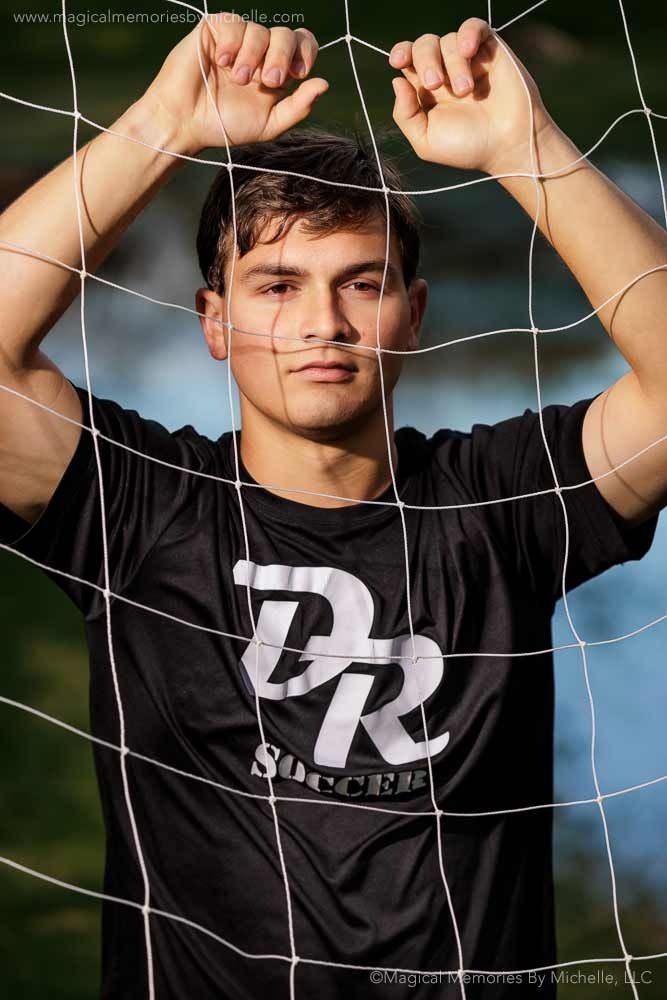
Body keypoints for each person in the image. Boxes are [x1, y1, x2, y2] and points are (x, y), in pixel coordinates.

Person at [0, 11, 665, 999]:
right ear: (213, 322)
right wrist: (164, 125)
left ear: (414, 311)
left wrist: (523, 147)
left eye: (361, 281)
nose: (323, 324)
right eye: (276, 285)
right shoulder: (137, 507)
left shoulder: (501, 500)